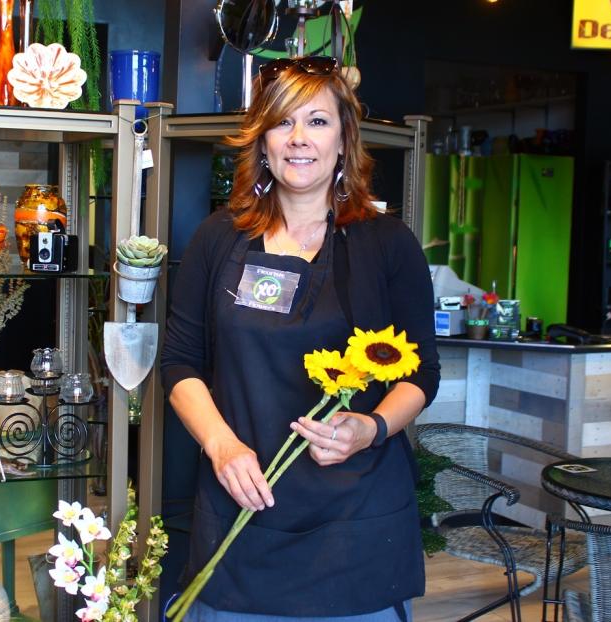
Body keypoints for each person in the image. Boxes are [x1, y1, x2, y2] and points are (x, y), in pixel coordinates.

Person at [160, 55, 440, 621]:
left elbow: (421, 373)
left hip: (356, 526)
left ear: (344, 138)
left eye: (317, 121)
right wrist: (221, 446)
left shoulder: (388, 244)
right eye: (283, 122)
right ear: (261, 139)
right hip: (240, 511)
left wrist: (370, 426)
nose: (298, 139)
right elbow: (180, 363)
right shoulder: (219, 239)